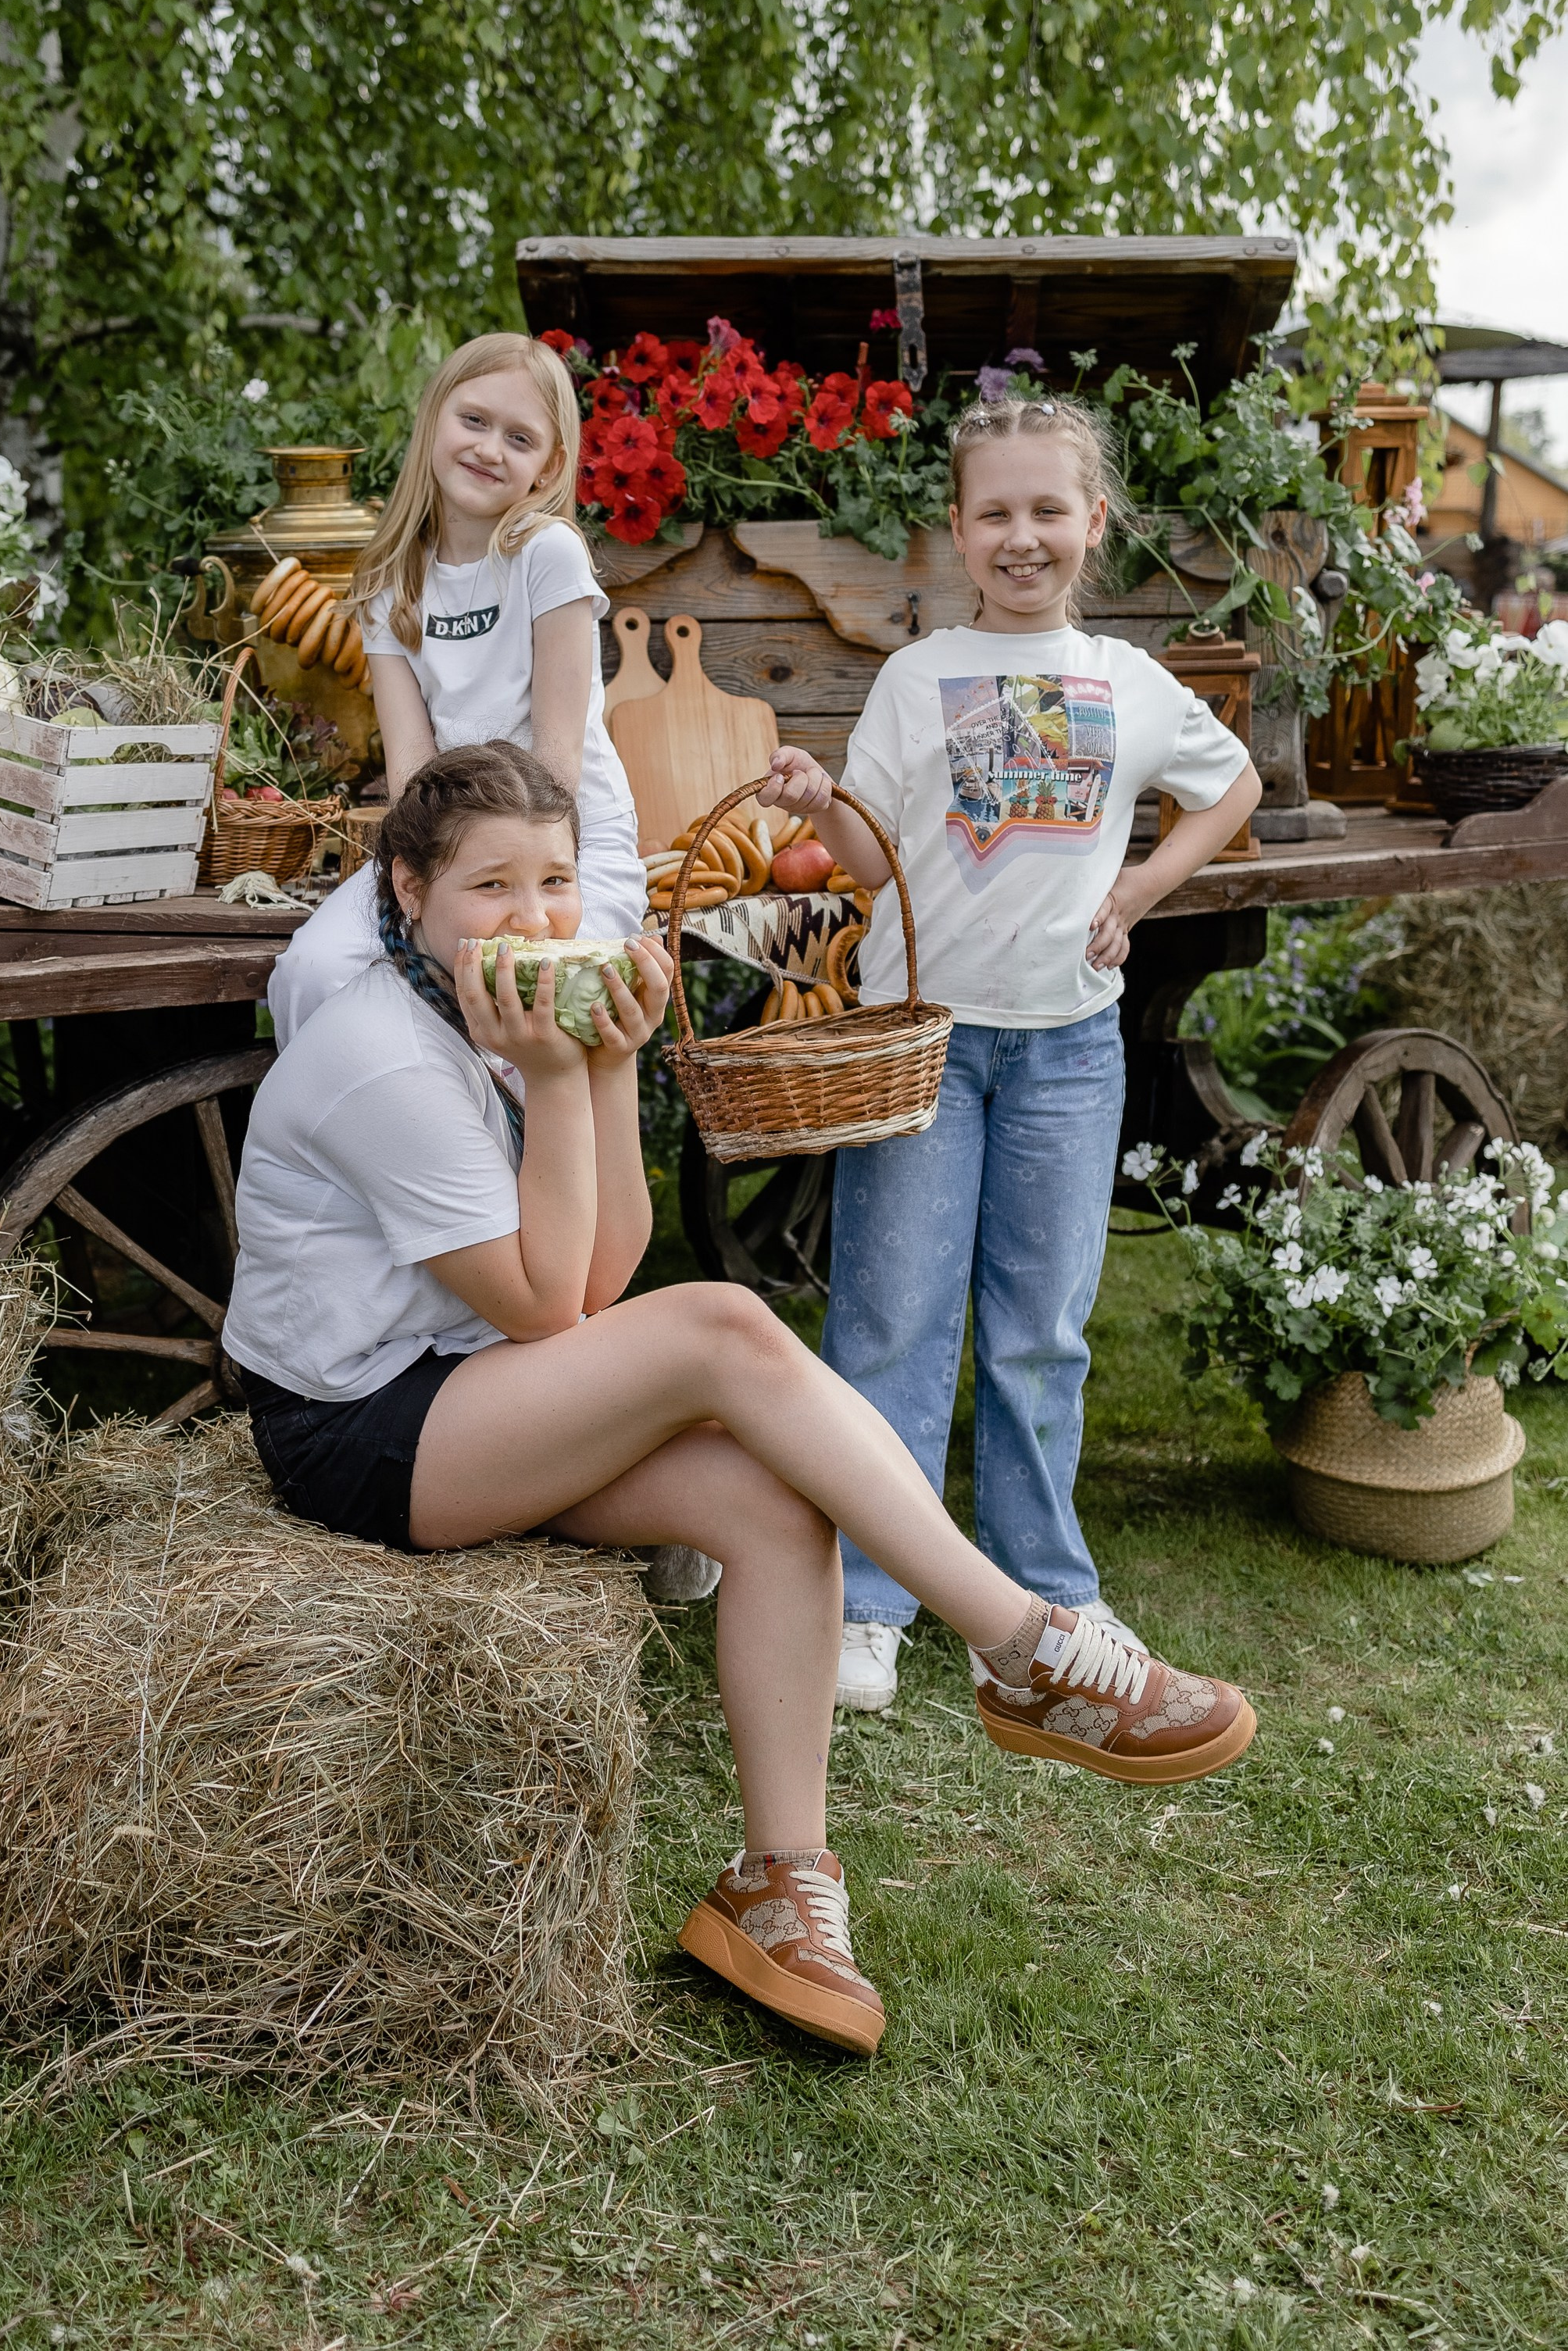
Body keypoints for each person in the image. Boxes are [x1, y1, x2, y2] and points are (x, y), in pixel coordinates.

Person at [221, 741, 1256, 2059]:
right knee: (720, 1320)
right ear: (409, 889)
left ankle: (778, 1887)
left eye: (554, 880)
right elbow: (552, 1311)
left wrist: (601, 1067)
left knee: (774, 1499)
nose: (535, 918)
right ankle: (1022, 1647)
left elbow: (592, 1280)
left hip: (470, 1384)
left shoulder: (487, 1008)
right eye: (490, 886)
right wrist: (553, 1075)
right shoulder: (380, 1048)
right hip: (355, 1431)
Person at [757, 391, 1265, 1715]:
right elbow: (865, 862)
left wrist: (1142, 892)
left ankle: (1046, 1588)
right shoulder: (917, 678)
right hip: (921, 1045)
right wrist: (824, 804)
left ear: (1090, 523)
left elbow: (1233, 790)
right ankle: (868, 1598)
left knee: (1042, 1328)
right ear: (957, 528)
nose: (1021, 535)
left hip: (1066, 1051)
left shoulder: (1130, 685)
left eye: (1048, 509)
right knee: (890, 1318)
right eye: (995, 512)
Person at [264, 330, 645, 1047]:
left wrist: (492, 885)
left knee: (528, 1003)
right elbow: (410, 766)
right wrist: (434, 878)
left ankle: (512, 1151)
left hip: (564, 852)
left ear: (549, 466)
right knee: (311, 973)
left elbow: (557, 762)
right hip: (445, 849)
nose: (488, 448)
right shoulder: (389, 583)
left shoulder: (546, 555)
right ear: (435, 416)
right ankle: (343, 1143)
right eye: (472, 420)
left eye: (518, 437)